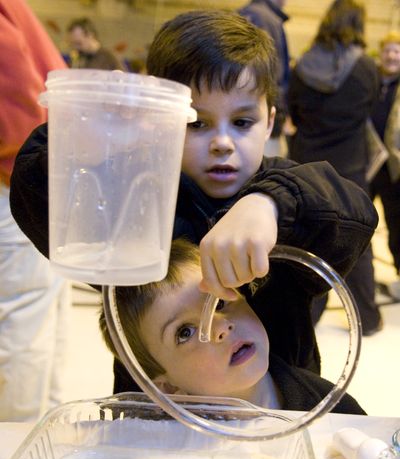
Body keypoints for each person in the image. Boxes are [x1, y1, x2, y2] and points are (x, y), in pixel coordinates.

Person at [10, 10, 378, 394]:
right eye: (196, 124)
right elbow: (36, 191)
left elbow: (353, 211)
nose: (222, 142)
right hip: (160, 415)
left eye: (241, 122)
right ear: (163, 120)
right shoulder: (137, 200)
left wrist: (269, 206)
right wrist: (99, 131)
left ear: (269, 122)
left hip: (279, 414)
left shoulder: (286, 187)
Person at [99, 238, 365, 413]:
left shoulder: (330, 408)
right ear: (166, 388)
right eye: (185, 332)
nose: (220, 328)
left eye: (220, 304)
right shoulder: (155, 448)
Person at [288, 0, 382, 336]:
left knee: (306, 244)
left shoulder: (302, 67)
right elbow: (370, 107)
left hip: (306, 166)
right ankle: (367, 319)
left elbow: (293, 112)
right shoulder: (367, 70)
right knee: (358, 241)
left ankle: (305, 320)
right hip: (351, 167)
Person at [0, 0, 70, 421]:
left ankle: (12, 451)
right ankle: (44, 432)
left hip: (14, 180)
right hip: (33, 179)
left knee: (24, 324)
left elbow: (15, 118)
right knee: (40, 321)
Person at [370, 31, 400, 301]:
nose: (392, 55)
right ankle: (359, 279)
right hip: (368, 165)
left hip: (394, 170)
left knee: (396, 225)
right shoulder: (369, 80)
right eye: (388, 50)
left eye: (397, 51)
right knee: (360, 221)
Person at [238, 0, 290, 156]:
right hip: (260, 118)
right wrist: (277, 120)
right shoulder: (266, 19)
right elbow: (272, 76)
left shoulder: (247, 13)